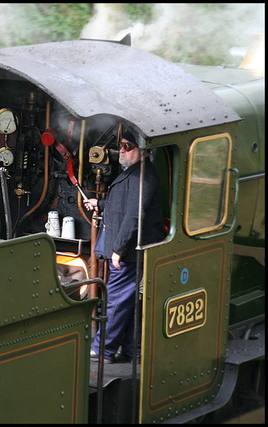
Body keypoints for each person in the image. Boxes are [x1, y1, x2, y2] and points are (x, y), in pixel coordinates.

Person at [83, 129, 165, 363]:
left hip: (129, 251)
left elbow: (133, 215)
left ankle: (103, 349)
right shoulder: (135, 173)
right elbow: (123, 203)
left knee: (117, 299)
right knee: (126, 300)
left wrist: (118, 250)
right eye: (121, 145)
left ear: (143, 151)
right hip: (127, 248)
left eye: (127, 147)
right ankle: (131, 350)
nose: (121, 150)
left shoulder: (144, 177)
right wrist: (99, 203)